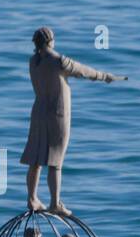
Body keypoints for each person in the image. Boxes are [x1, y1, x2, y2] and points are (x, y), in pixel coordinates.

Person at [19, 26, 126, 216]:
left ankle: (32, 198)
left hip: (38, 113)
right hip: (56, 115)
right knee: (55, 160)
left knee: (35, 160)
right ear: (51, 41)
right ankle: (55, 203)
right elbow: (82, 71)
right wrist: (104, 77)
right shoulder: (58, 61)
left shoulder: (33, 61)